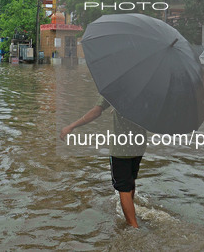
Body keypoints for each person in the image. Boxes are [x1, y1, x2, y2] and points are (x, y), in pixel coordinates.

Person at [60, 96, 147, 228]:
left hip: (121, 147)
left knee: (123, 188)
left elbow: (96, 111)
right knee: (130, 179)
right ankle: (131, 209)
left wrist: (71, 126)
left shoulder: (116, 86)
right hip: (139, 144)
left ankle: (133, 226)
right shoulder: (146, 89)